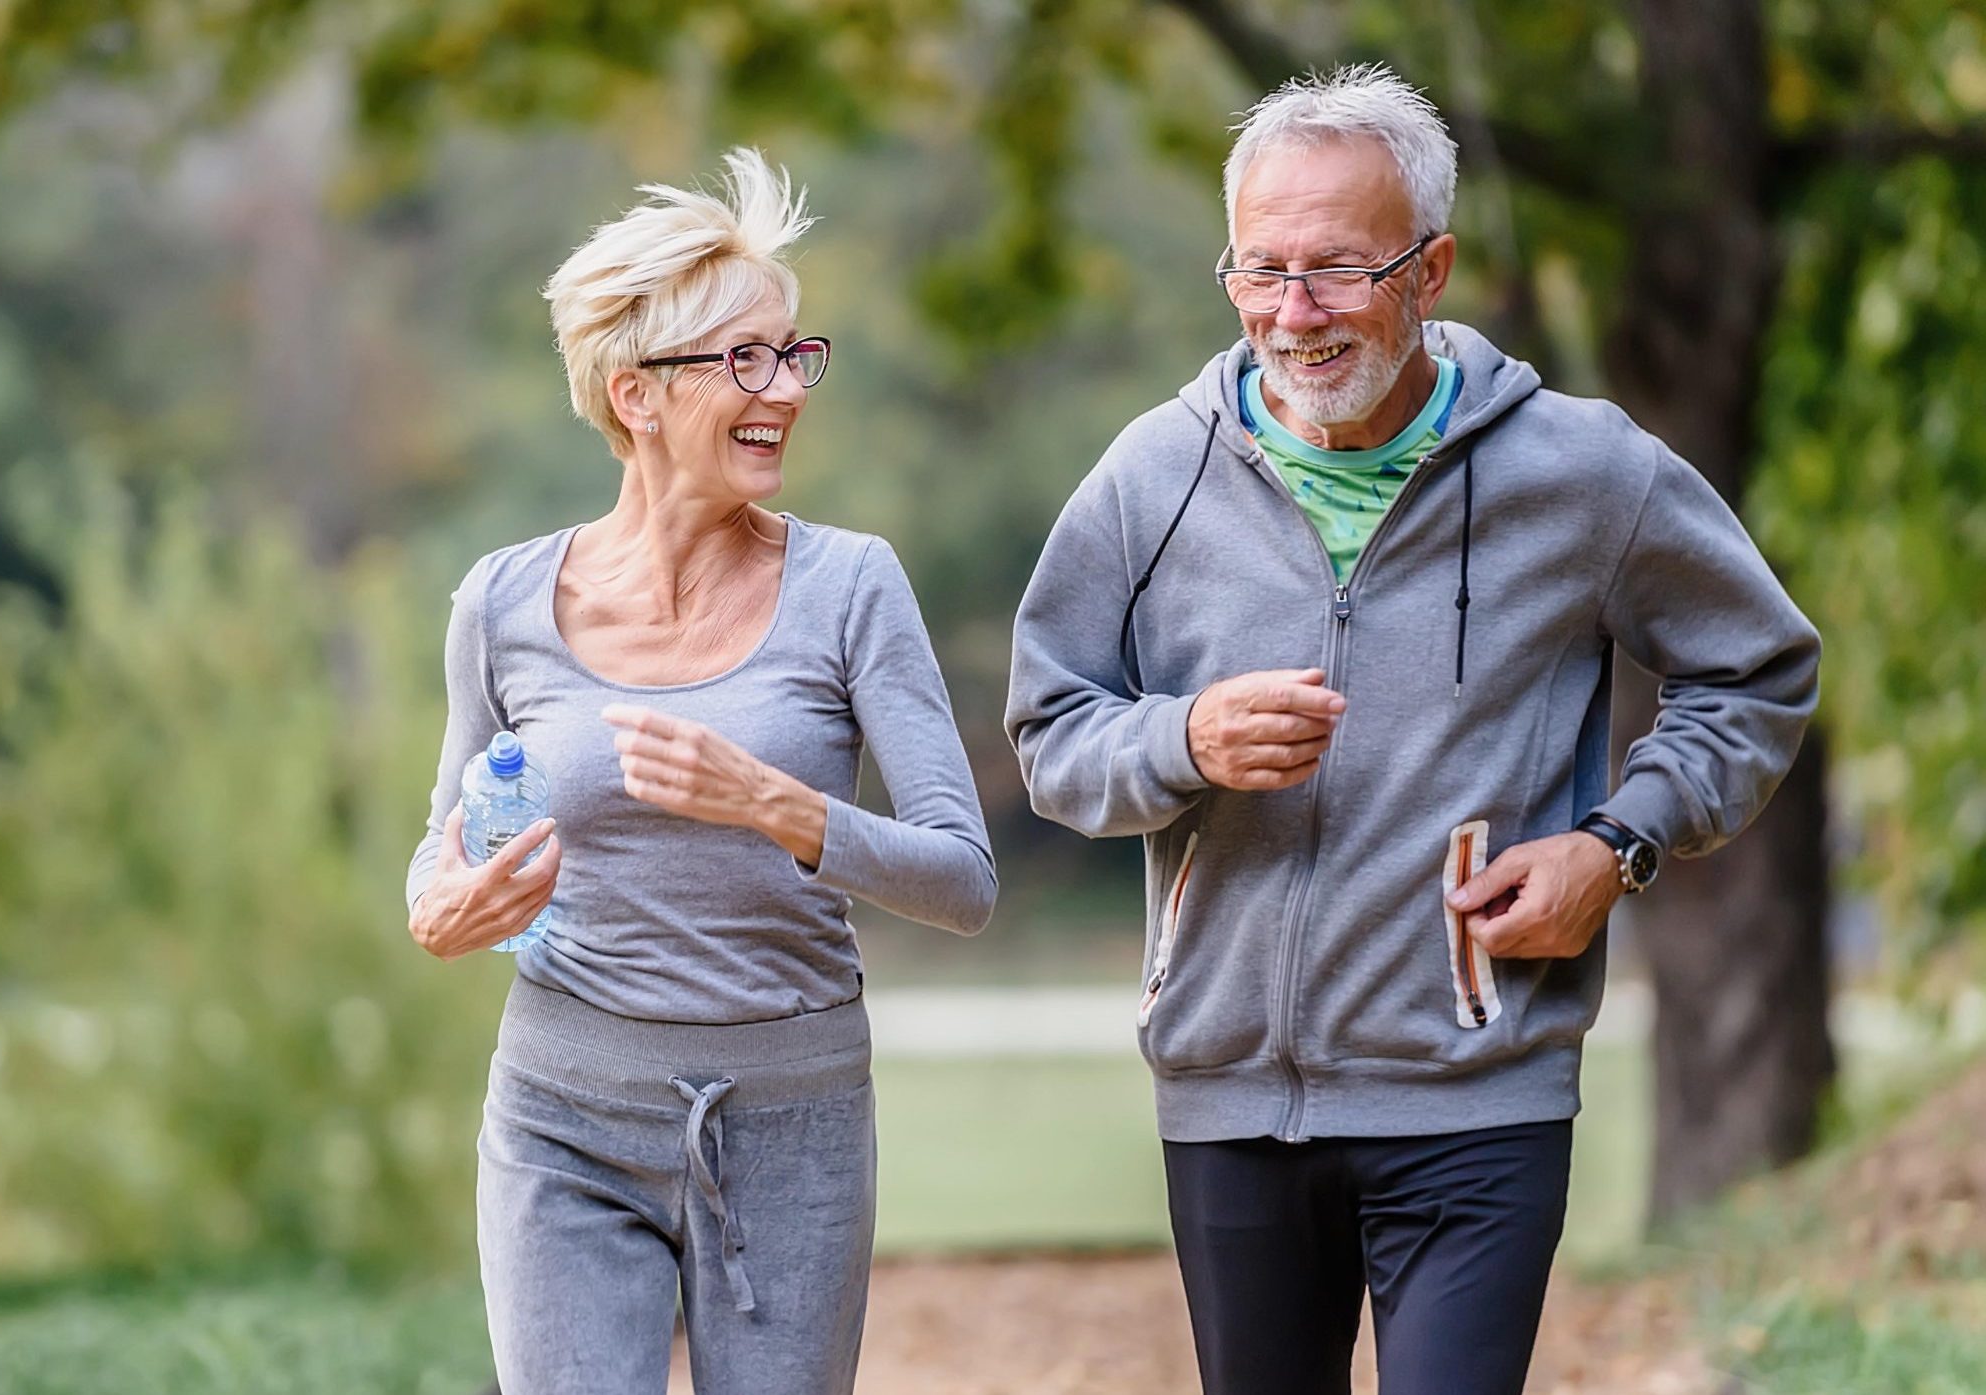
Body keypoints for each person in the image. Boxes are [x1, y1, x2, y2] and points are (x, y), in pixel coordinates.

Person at [1005, 64, 1817, 1395]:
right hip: (1228, 1093)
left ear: (1431, 269)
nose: (1293, 313)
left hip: (1477, 1087)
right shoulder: (1152, 475)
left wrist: (1618, 844)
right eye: (1259, 271)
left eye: (1338, 271)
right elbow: (1051, 729)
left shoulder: (1582, 469)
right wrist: (1183, 742)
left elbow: (1759, 669)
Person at [405, 147, 997, 1395]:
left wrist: (778, 807)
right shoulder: (502, 602)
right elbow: (440, 845)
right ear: (636, 396)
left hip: (794, 1119)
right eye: (744, 359)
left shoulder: (850, 586)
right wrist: (439, 909)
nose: (784, 387)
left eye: (793, 353)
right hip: (559, 1111)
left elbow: (963, 879)